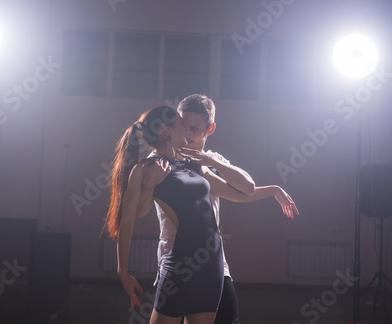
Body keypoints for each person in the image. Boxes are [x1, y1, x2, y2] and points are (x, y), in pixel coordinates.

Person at [105, 105, 298, 324]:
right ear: (166, 131)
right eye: (181, 125)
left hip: (212, 265)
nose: (186, 130)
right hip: (181, 264)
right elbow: (130, 218)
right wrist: (123, 271)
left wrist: (272, 190)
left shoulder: (195, 163)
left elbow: (237, 193)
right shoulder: (146, 168)